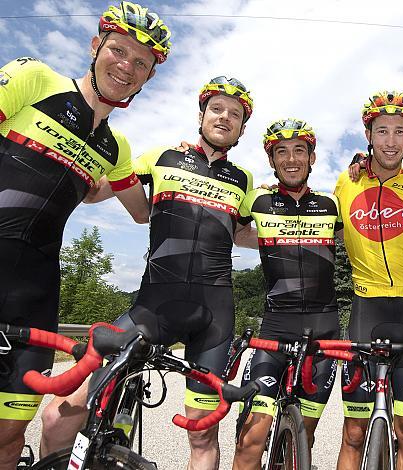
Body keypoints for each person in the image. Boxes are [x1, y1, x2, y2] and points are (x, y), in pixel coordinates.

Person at [39, 76, 254, 470]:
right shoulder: (162, 155)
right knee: (58, 414)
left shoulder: (243, 181)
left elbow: (244, 234)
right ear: (201, 114)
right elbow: (97, 190)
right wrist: (78, 146)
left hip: (214, 317)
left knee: (203, 433)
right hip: (153, 308)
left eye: (235, 114)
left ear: (242, 128)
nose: (225, 118)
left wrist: (305, 239)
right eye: (217, 109)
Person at [0, 2, 170, 467]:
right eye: (119, 50)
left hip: (33, 294)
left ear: (148, 78)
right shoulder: (35, 79)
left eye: (141, 63)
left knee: (9, 440)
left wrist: (177, 181)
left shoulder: (116, 149)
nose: (127, 67)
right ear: (96, 46)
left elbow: (141, 212)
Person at [334, 91, 403, 470]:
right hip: (365, 311)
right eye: (382, 130)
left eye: (400, 131)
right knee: (353, 432)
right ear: (368, 136)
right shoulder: (345, 183)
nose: (390, 140)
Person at [231, 118, 342, 469]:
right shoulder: (257, 200)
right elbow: (233, 233)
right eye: (282, 152)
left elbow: (348, 237)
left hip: (324, 332)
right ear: (272, 160)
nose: (291, 159)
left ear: (312, 158)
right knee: (251, 440)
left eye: (299, 151)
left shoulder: (331, 205)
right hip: (276, 329)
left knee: (303, 439)